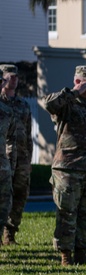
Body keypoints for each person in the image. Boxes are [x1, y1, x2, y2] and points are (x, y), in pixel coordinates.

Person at [38, 66, 86, 266]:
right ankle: (66, 254)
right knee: (67, 212)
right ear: (77, 81)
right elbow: (48, 104)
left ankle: (82, 252)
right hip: (68, 169)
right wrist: (73, 93)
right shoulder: (66, 103)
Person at [1, 64, 32, 246]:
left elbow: (28, 135)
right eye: (9, 77)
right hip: (3, 158)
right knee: (3, 196)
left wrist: (28, 160)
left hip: (21, 158)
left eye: (15, 77)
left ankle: (10, 233)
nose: (13, 80)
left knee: (20, 195)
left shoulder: (23, 105)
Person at [0, 73, 17, 237]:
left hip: (3, 166)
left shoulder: (6, 112)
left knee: (4, 205)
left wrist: (10, 163)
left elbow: (11, 139)